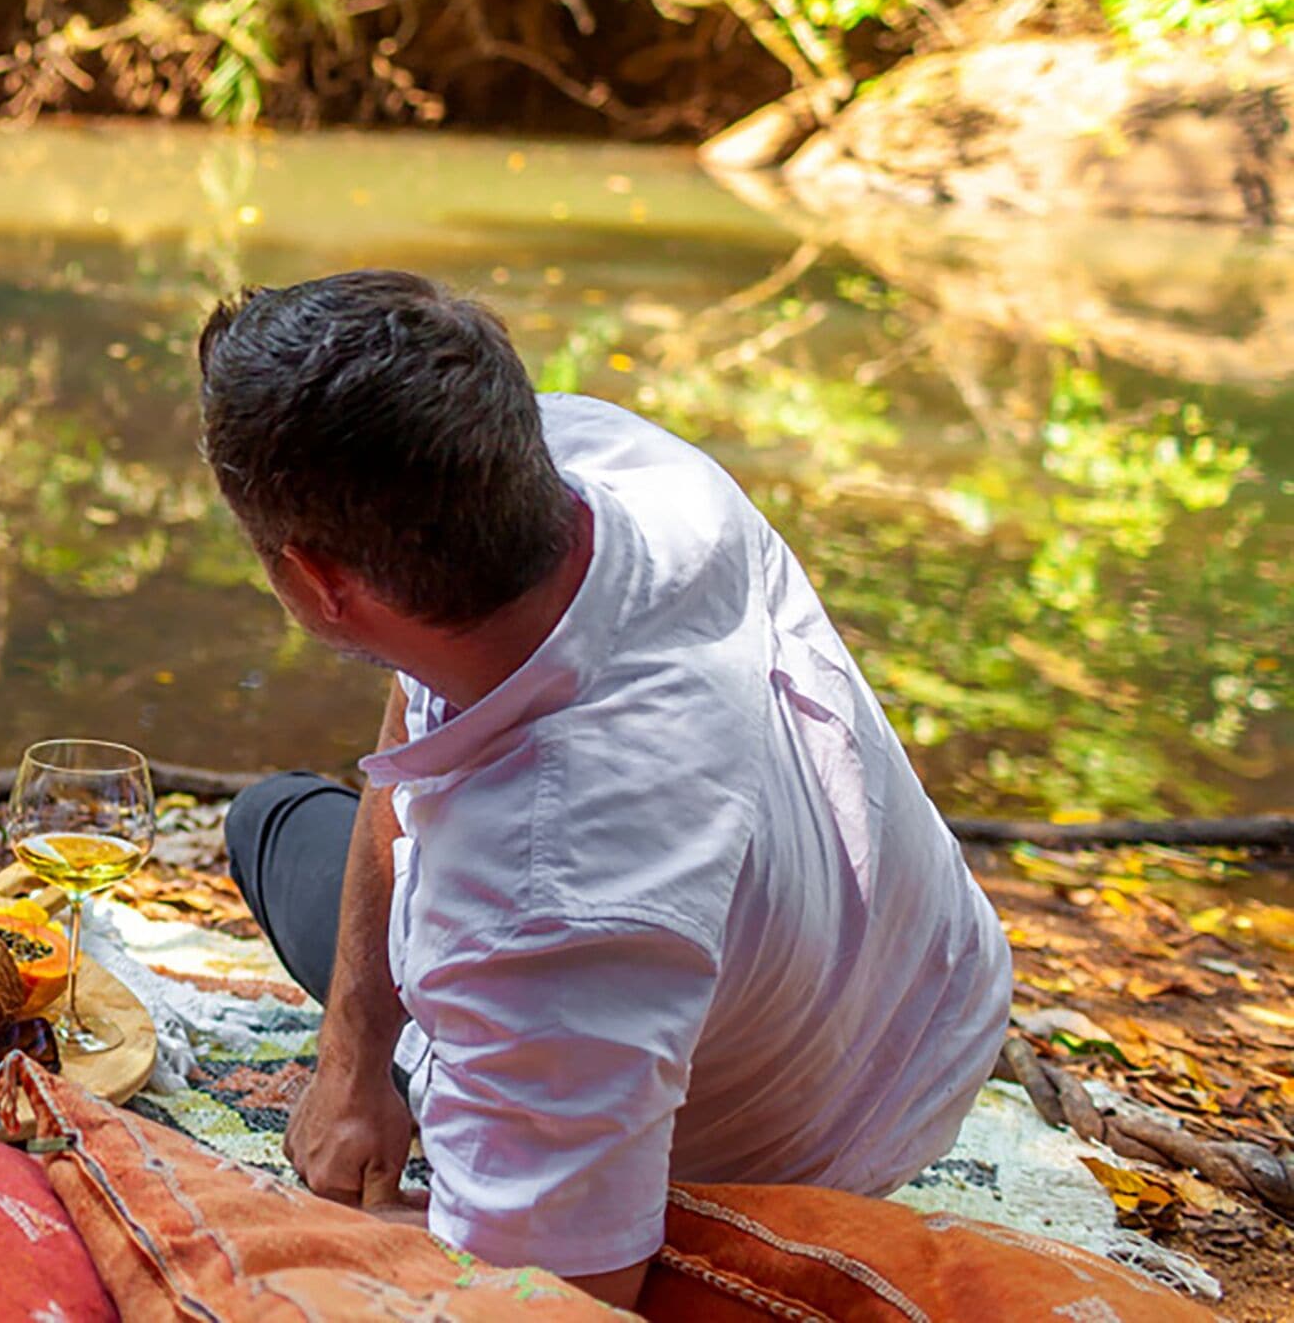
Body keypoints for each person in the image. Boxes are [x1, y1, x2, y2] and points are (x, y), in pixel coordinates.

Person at [200, 271, 1010, 1305]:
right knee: (280, 818)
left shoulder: (535, 912)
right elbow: (420, 686)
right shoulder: (604, 464)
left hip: (757, 1157)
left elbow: (565, 1297)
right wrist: (352, 1055)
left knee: (273, 824)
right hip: (918, 1003)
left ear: (321, 583)